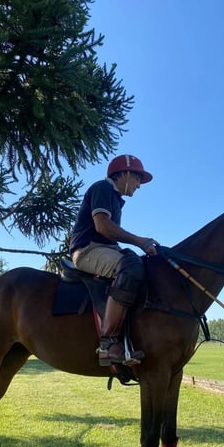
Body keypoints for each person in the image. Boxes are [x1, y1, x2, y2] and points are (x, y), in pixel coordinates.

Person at [68, 154, 159, 366]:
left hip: (103, 248)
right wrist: (139, 241)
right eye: (137, 178)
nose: (138, 185)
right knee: (130, 266)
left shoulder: (116, 199)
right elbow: (102, 226)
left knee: (138, 263)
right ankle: (108, 344)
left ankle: (128, 339)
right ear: (124, 174)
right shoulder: (103, 188)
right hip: (87, 250)